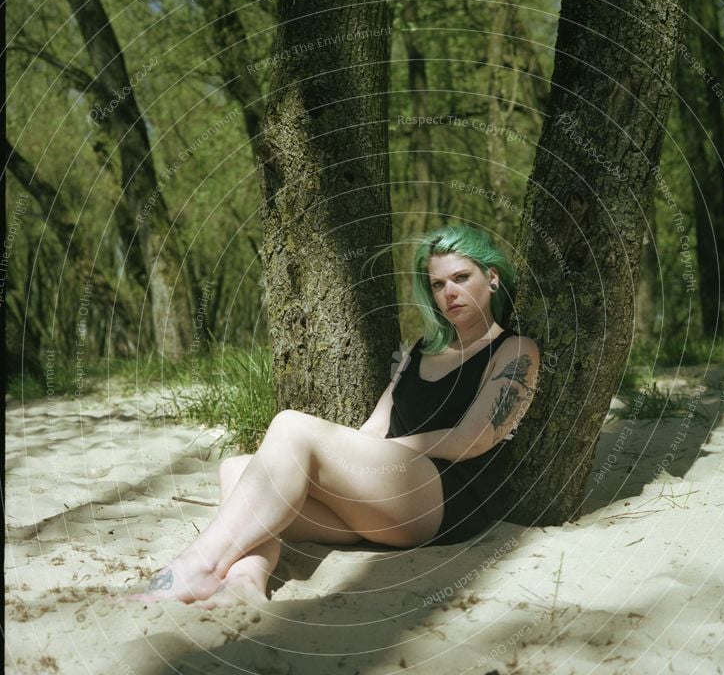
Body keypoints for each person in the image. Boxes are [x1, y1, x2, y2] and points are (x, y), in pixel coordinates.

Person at [128, 225, 539, 607]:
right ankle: (244, 583)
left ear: (492, 278)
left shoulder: (514, 350)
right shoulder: (418, 352)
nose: (449, 292)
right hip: (384, 496)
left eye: (461, 278)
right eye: (437, 284)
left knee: (291, 426)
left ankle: (197, 566)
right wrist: (346, 466)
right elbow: (375, 427)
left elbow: (474, 438)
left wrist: (379, 452)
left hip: (444, 498)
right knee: (238, 469)